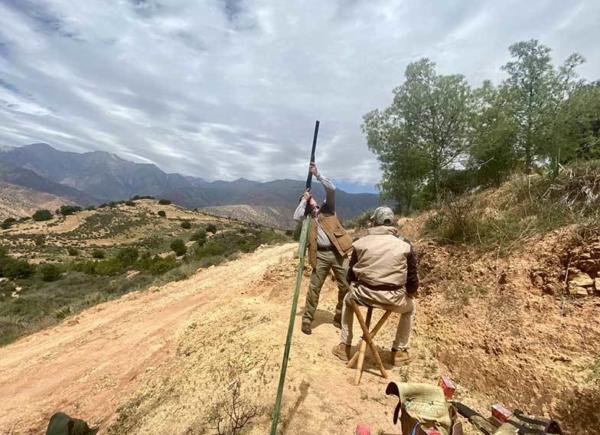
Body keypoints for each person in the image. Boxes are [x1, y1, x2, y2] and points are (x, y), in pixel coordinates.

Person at [332, 206, 419, 364]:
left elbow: (350, 275)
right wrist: (410, 292)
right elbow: (412, 281)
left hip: (363, 295)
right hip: (393, 299)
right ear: (392, 223)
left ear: (375, 223)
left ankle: (344, 346)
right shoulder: (405, 244)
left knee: (347, 300)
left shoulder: (360, 242)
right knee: (411, 307)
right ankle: (399, 351)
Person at [293, 163, 353, 335]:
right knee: (314, 287)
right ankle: (307, 319)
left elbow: (332, 189)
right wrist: (303, 200)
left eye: (311, 198)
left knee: (346, 286)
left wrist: (317, 175)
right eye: (307, 200)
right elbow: (296, 216)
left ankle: (339, 316)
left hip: (338, 252)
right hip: (320, 254)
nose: (311, 199)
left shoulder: (328, 209)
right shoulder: (307, 220)